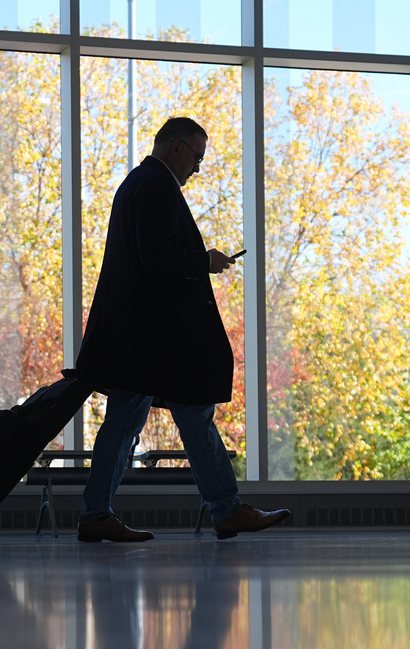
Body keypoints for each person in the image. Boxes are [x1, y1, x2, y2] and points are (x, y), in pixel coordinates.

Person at [74, 116, 290, 542]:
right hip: (151, 340)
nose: (196, 167)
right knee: (185, 417)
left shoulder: (136, 184)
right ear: (176, 147)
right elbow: (157, 257)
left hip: (138, 338)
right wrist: (203, 261)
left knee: (137, 423)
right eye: (196, 156)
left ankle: (99, 513)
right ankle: (225, 510)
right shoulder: (156, 186)